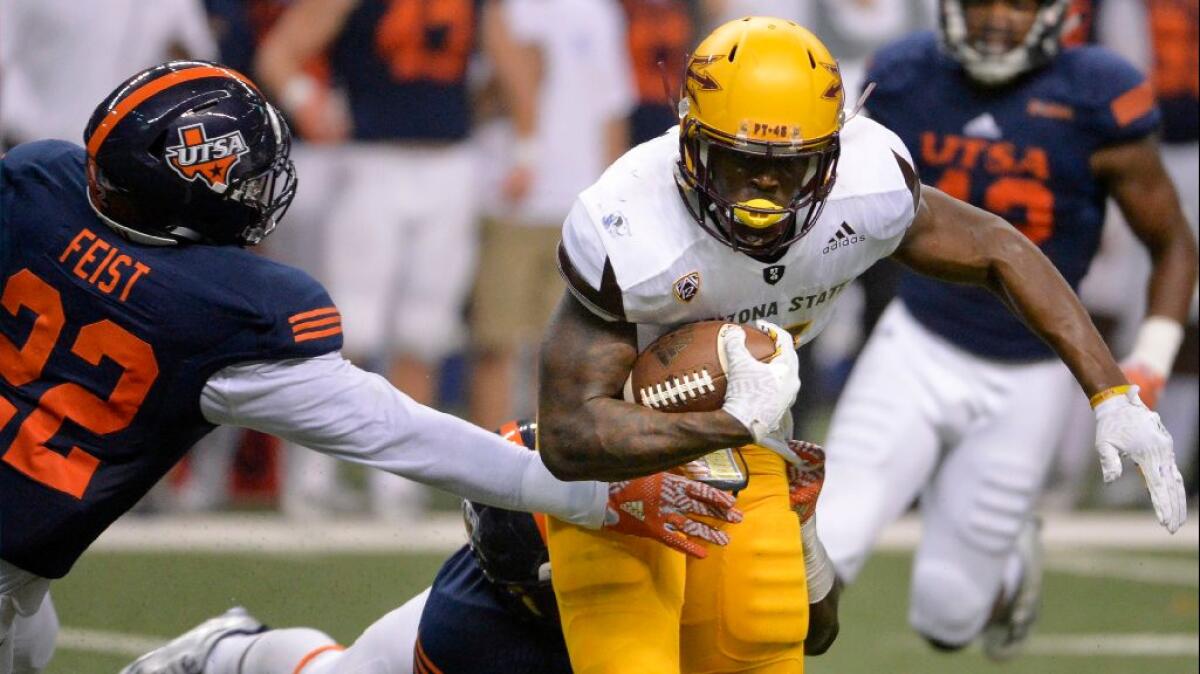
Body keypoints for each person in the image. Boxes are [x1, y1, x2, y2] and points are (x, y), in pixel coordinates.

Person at [0, 60, 744, 674]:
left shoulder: (38, 185)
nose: (264, 193)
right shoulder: (226, 312)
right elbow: (398, 432)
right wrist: (595, 497)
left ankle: (233, 661)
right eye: (248, 179)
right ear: (188, 192)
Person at [533, 15, 1186, 674]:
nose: (765, 190)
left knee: (777, 638)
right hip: (623, 471)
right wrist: (730, 421)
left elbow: (999, 249)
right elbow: (567, 437)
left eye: (791, 168)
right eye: (739, 162)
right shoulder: (626, 228)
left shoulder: (868, 186)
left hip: (746, 442)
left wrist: (1112, 393)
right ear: (689, 140)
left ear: (834, 153)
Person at [815, 0, 1198, 661]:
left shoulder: (1098, 94)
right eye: (979, 1)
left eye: (1018, 3)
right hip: (917, 340)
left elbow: (1172, 244)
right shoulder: (905, 74)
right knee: (823, 544)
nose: (996, 18)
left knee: (949, 615)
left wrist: (1150, 363)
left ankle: (1011, 569)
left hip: (1033, 369)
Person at [119, 420, 827, 674]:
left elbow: (815, 634)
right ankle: (231, 652)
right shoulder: (479, 636)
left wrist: (800, 535)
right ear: (537, 587)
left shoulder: (667, 536)